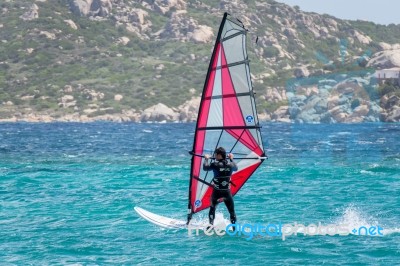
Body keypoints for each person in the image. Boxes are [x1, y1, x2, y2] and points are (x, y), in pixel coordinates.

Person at [203, 147, 238, 226]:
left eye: (215, 154)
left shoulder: (215, 164)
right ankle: (234, 229)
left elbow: (205, 168)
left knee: (212, 208)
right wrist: (231, 159)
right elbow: (236, 168)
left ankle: (211, 226)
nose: (214, 156)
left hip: (217, 192)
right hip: (227, 192)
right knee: (232, 212)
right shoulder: (231, 164)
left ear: (219, 155)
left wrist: (206, 159)